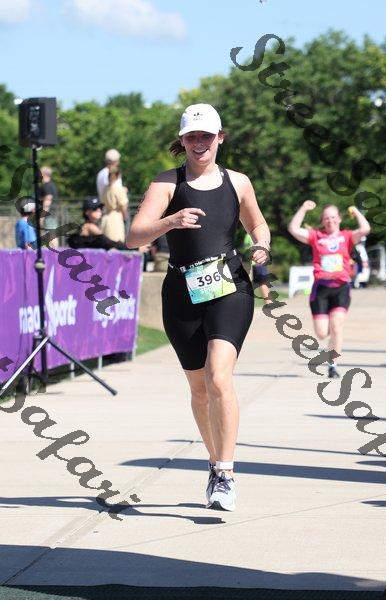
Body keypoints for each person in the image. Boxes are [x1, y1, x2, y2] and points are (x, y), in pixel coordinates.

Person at [127, 103, 270, 511]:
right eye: (192, 136)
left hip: (229, 286)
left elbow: (257, 224)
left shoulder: (238, 182)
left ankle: (225, 473)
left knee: (219, 377)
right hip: (181, 291)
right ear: (183, 140)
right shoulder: (166, 183)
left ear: (220, 137)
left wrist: (261, 245)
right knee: (199, 388)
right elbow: (134, 237)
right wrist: (170, 222)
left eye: (206, 135)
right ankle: (214, 463)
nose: (199, 143)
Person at [288, 201, 371, 378]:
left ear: (339, 219)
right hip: (321, 290)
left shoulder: (347, 236)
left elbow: (365, 229)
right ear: (322, 221)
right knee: (321, 333)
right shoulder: (316, 236)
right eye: (326, 218)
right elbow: (293, 229)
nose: (330, 220)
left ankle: (333, 365)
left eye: (333, 217)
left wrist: (356, 212)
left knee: (336, 327)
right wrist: (303, 208)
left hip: (341, 287)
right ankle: (329, 344)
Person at [100, 166, 129, 243]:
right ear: (118, 175)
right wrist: (125, 219)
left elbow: (102, 203)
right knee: (117, 244)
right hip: (116, 219)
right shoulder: (119, 189)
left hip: (106, 218)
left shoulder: (105, 188)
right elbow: (123, 207)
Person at [241, 231, 270, 303]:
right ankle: (268, 302)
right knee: (262, 282)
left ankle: (268, 302)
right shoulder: (252, 235)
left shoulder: (248, 236)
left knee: (260, 283)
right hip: (256, 263)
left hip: (254, 263)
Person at [39, 165, 60, 245]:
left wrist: (42, 217)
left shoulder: (46, 185)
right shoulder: (52, 185)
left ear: (43, 174)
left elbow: (48, 200)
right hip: (53, 213)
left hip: (49, 214)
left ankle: (55, 252)